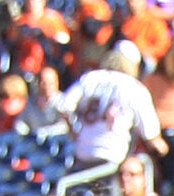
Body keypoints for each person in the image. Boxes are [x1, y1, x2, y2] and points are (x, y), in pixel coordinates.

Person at [60, 40, 167, 173]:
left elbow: (63, 106)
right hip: (112, 157)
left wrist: (73, 132)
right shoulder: (133, 87)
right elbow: (151, 135)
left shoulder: (91, 78)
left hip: (83, 153)